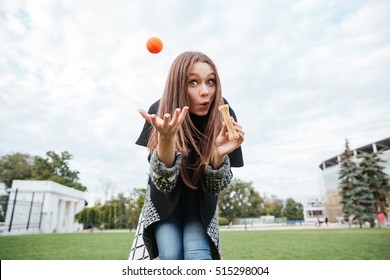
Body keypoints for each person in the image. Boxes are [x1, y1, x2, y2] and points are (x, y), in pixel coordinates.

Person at [129, 51, 244, 260]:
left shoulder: (222, 114)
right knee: (171, 255)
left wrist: (218, 156)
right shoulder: (160, 110)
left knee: (197, 254)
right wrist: (166, 141)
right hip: (164, 202)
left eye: (211, 81)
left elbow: (216, 186)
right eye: (193, 82)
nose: (205, 92)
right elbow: (164, 184)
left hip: (200, 202)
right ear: (178, 85)